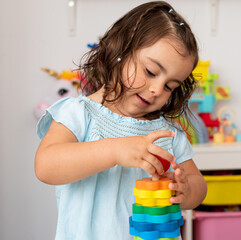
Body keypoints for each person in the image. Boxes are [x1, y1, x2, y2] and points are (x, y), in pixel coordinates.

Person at [34, 1, 207, 239]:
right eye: (150, 71)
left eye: (169, 86)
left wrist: (185, 190)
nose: (157, 89)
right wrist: (115, 150)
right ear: (120, 51)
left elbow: (198, 183)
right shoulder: (78, 114)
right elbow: (46, 166)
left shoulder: (166, 133)